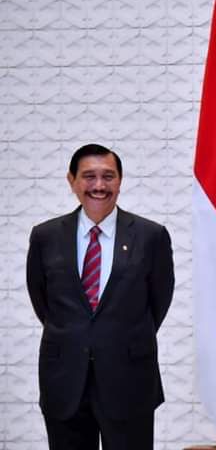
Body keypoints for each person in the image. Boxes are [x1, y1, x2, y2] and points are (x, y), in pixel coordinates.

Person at [26, 144, 175, 450]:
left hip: (129, 379)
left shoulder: (151, 236)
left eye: (108, 176)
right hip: (65, 379)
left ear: (120, 181)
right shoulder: (45, 236)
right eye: (88, 176)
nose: (99, 185)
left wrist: (115, 335)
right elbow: (42, 301)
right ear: (72, 181)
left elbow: (158, 302)